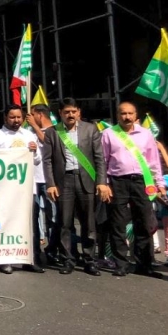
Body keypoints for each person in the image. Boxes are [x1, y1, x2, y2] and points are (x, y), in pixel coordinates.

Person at [100, 102, 166, 278]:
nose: (127, 117)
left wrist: (160, 184)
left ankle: (144, 264)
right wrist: (104, 183)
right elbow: (102, 161)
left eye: (130, 113)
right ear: (117, 114)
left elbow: (154, 161)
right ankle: (121, 263)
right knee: (118, 224)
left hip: (142, 182)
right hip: (117, 182)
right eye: (123, 114)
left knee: (144, 223)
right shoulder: (108, 134)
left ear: (135, 115)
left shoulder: (145, 135)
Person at [42, 98, 106, 275]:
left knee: (88, 222)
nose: (70, 115)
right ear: (60, 114)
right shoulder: (52, 133)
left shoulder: (90, 129)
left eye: (73, 111)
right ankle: (68, 258)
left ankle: (89, 259)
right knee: (64, 222)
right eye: (66, 112)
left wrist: (101, 181)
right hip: (64, 182)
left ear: (78, 112)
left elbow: (100, 158)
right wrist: (50, 184)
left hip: (86, 180)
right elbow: (47, 161)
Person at [0, 105, 45, 274]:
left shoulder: (29, 135)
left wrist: (34, 151)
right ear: (5, 118)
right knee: (7, 224)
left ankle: (31, 260)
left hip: (27, 188)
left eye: (19, 117)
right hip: (5, 190)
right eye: (12, 117)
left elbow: (37, 160)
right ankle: (6, 260)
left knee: (30, 225)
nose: (16, 120)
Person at [28, 105, 56, 260]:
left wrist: (33, 125)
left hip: (48, 180)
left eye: (31, 115)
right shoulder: (29, 133)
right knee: (34, 217)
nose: (28, 118)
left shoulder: (55, 130)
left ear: (39, 115)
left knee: (53, 218)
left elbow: (48, 143)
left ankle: (52, 250)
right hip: (33, 180)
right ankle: (36, 251)